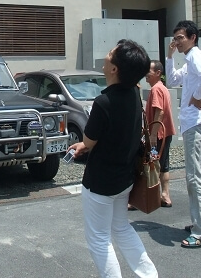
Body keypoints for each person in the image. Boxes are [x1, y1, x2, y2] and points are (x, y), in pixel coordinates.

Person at [69, 39, 157, 278]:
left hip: (101, 183)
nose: (106, 57)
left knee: (99, 238)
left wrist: (82, 146)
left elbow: (88, 141)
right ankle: (149, 275)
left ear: (114, 68)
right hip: (125, 179)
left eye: (110, 54)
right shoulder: (134, 95)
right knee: (121, 228)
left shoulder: (104, 102)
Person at [166, 20, 201, 249]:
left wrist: (197, 96)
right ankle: (198, 223)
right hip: (190, 123)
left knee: (196, 177)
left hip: (195, 123)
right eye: (175, 38)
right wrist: (169, 57)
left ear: (192, 37)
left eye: (180, 38)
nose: (177, 41)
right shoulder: (188, 61)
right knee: (193, 177)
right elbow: (173, 80)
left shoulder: (195, 55)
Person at [145, 60, 176, 207]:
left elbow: (159, 110)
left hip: (158, 135)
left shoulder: (155, 89)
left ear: (158, 73)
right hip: (166, 133)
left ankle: (149, 197)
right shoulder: (163, 88)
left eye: (148, 71)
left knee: (152, 164)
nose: (146, 74)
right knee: (164, 165)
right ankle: (165, 195)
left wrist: (152, 134)